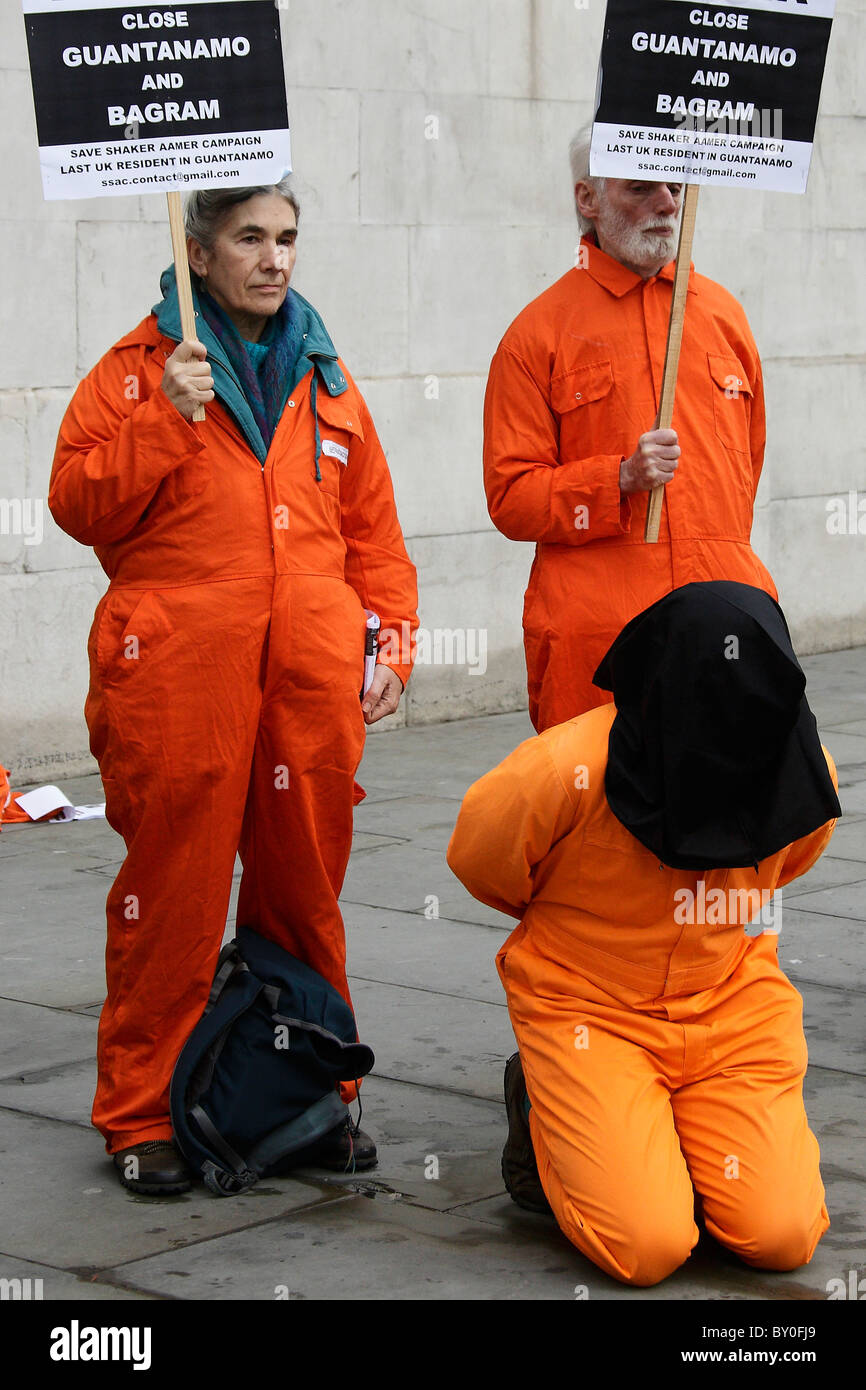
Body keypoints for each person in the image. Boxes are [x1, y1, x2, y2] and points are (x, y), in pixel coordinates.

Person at [49, 180, 419, 1194]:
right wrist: (165, 417)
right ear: (198, 250)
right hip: (177, 673)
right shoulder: (138, 371)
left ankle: (301, 1096)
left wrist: (387, 643)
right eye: (249, 237)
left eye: (287, 237)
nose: (274, 258)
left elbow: (374, 541)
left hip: (307, 682)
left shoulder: (327, 377)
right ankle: (140, 1114)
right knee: (172, 894)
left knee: (304, 892)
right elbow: (77, 504)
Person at [447, 582, 841, 1287]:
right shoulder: (563, 772)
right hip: (588, 1012)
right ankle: (547, 1115)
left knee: (783, 1237)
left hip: (729, 1008)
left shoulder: (798, 770)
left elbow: (788, 860)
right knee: (647, 1246)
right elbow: (481, 857)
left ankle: (663, 1139)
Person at [484, 127, 776, 732]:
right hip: (600, 646)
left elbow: (746, 470)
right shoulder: (536, 335)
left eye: (676, 184)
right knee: (601, 823)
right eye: (641, 187)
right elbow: (512, 500)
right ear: (587, 199)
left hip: (726, 622)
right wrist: (618, 479)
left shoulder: (724, 317)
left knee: (731, 816)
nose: (667, 202)